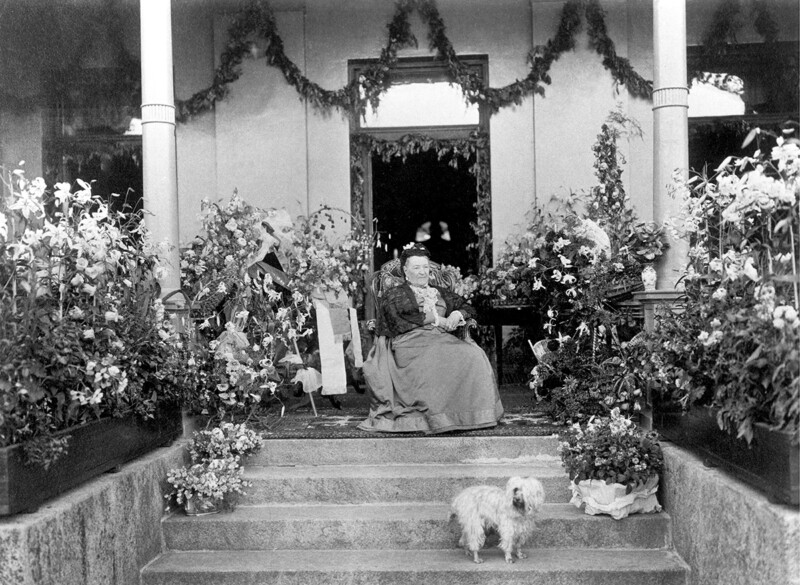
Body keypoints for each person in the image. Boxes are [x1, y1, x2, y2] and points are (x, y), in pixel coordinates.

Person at [358, 243, 504, 434]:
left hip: (439, 338)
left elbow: (468, 307)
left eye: (425, 267)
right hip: (408, 342)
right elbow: (396, 319)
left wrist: (457, 314)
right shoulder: (395, 293)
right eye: (416, 267)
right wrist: (436, 319)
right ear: (405, 271)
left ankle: (469, 415)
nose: (422, 272)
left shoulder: (440, 292)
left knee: (474, 355)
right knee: (436, 355)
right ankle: (438, 417)